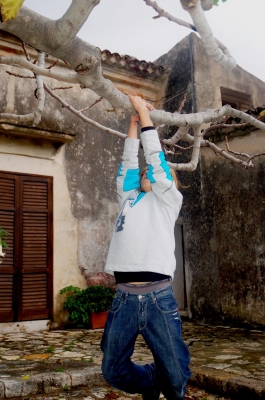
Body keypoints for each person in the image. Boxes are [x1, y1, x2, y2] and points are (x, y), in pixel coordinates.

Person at [101, 95, 191, 400]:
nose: (144, 173)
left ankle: (167, 380)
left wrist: (144, 113)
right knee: (113, 370)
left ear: (166, 180)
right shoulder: (129, 198)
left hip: (159, 298)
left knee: (177, 380)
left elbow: (155, 160)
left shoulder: (168, 200)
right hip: (124, 298)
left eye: (150, 172)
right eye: (142, 174)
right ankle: (152, 380)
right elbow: (129, 162)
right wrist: (133, 122)